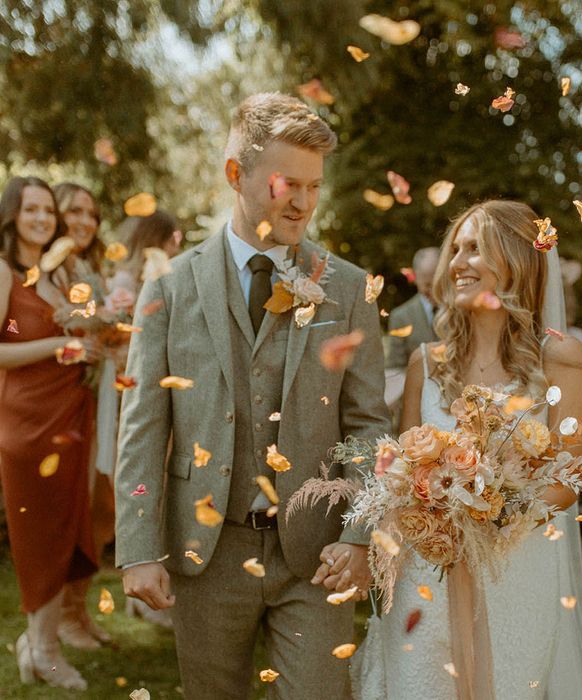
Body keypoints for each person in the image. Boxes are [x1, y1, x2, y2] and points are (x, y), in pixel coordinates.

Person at [114, 92, 391, 700]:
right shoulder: (170, 284)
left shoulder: (346, 288)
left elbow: (369, 425)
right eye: (288, 183)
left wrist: (358, 533)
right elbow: (142, 426)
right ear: (236, 174)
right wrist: (138, 547)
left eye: (315, 186)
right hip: (208, 549)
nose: (303, 202)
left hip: (315, 552)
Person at [374, 200, 582, 699]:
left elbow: (571, 474)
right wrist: (427, 508)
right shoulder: (426, 363)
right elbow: (399, 471)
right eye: (455, 248)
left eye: (474, 248)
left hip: (515, 574)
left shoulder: (560, 359)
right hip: (428, 577)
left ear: (516, 260)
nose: (456, 261)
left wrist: (499, 510)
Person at [0, 175, 98, 690]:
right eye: (30, 209)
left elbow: (76, 330)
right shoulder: (3, 273)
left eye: (46, 210)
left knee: (61, 530)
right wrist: (62, 349)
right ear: (13, 214)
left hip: (69, 416)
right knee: (39, 536)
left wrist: (90, 337)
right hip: (28, 423)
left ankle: (38, 645)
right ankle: (45, 649)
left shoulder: (54, 272)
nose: (41, 218)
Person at [108, 209, 183, 630]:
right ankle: (140, 574)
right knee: (141, 481)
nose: (178, 245)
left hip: (151, 389)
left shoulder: (161, 274)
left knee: (161, 485)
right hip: (131, 393)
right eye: (174, 237)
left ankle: (149, 585)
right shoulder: (128, 282)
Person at [52, 181, 114, 650]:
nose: (85, 221)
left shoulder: (92, 268)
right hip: (55, 400)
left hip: (96, 395)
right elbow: (19, 326)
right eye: (75, 211)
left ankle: (78, 610)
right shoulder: (44, 269)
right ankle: (60, 620)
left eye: (91, 214)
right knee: (71, 510)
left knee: (99, 506)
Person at [386, 246, 440, 370]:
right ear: (415, 278)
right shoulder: (400, 317)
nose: (433, 291)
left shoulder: (460, 309)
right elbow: (395, 368)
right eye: (427, 285)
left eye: (437, 283)